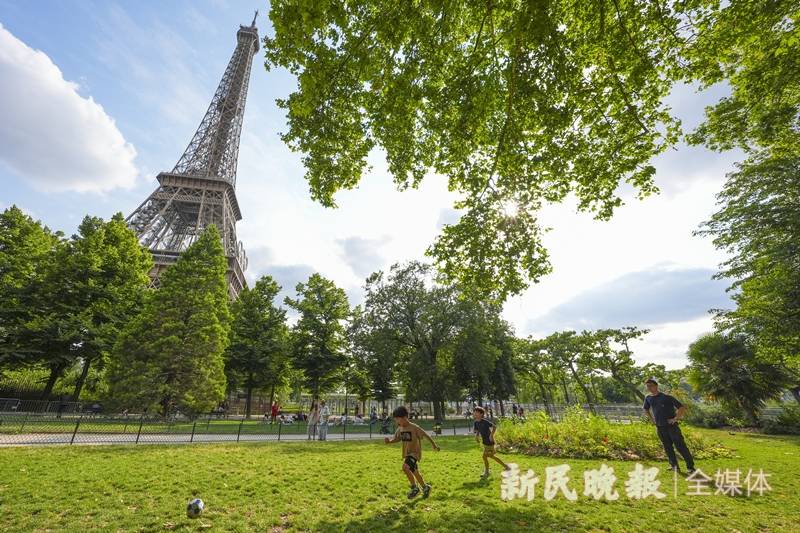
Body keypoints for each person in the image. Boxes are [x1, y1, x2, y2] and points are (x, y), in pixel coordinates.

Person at [384, 406, 440, 499]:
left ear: (405, 417)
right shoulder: (400, 428)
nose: (397, 422)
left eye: (398, 419)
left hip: (414, 453)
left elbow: (426, 435)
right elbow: (397, 438)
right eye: (396, 420)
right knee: (415, 472)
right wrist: (389, 441)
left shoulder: (414, 428)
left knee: (405, 467)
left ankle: (414, 488)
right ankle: (425, 487)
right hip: (407, 454)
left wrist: (434, 445)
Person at [643, 377, 696, 474]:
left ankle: (690, 467)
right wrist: (652, 420)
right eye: (647, 386)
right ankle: (674, 466)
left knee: (680, 446)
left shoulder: (666, 397)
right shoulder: (648, 398)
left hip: (672, 427)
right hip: (660, 427)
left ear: (656, 386)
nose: (649, 388)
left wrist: (675, 418)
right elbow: (646, 409)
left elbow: (681, 407)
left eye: (651, 386)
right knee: (667, 447)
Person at [473, 406, 510, 478]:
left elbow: (494, 427)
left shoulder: (485, 422)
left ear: (481, 414)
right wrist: (476, 436)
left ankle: (487, 472)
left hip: (490, 442)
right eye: (474, 412)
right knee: (491, 456)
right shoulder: (476, 422)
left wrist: (491, 435)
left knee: (484, 457)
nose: (475, 414)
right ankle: (506, 466)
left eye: (476, 412)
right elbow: (477, 430)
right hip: (484, 442)